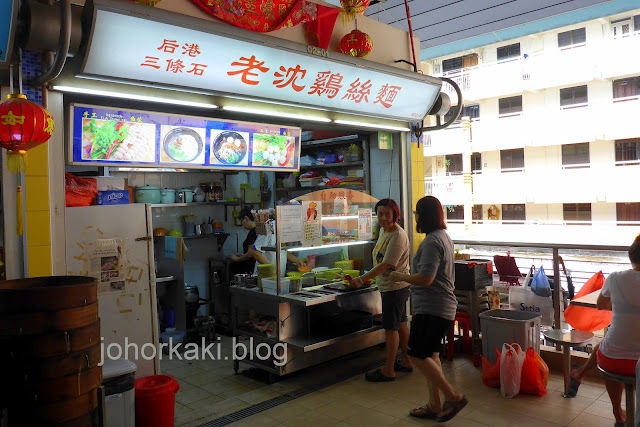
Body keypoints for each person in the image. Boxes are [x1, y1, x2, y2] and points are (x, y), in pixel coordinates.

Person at [388, 196, 467, 422]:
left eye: (417, 213)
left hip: (433, 308)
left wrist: (398, 275)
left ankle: (453, 396)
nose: (416, 218)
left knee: (416, 354)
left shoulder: (432, 241)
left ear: (424, 216)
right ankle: (434, 404)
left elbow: (426, 278)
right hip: (440, 307)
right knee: (431, 355)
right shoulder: (443, 237)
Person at [566, 233, 640, 425]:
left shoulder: (615, 278)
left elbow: (601, 305)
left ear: (631, 257)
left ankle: (617, 412)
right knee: (612, 343)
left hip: (614, 360)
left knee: (610, 344)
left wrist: (624, 303)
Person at [348, 198, 412, 382]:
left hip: (395, 287)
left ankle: (389, 370)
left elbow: (386, 264)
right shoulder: (384, 231)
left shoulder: (398, 235)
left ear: (395, 215)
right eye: (380, 214)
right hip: (389, 286)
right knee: (400, 323)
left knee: (391, 328)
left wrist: (361, 279)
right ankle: (406, 361)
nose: (383, 218)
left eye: (387, 214)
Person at [229, 207, 258, 275]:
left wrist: (236, 259)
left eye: (241, 221)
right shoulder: (256, 230)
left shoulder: (253, 232)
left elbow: (251, 254)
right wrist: (243, 255)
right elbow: (253, 252)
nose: (242, 224)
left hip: (252, 268)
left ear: (246, 219)